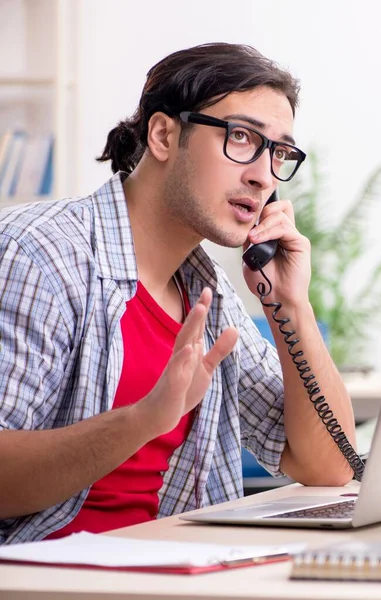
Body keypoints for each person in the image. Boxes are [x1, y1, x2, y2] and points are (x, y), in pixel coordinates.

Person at [0, 43, 357, 545]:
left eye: (278, 153)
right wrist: (144, 420)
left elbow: (329, 465)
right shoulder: (39, 255)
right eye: (241, 138)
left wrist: (291, 305)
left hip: (179, 570)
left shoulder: (208, 290)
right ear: (165, 134)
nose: (262, 175)